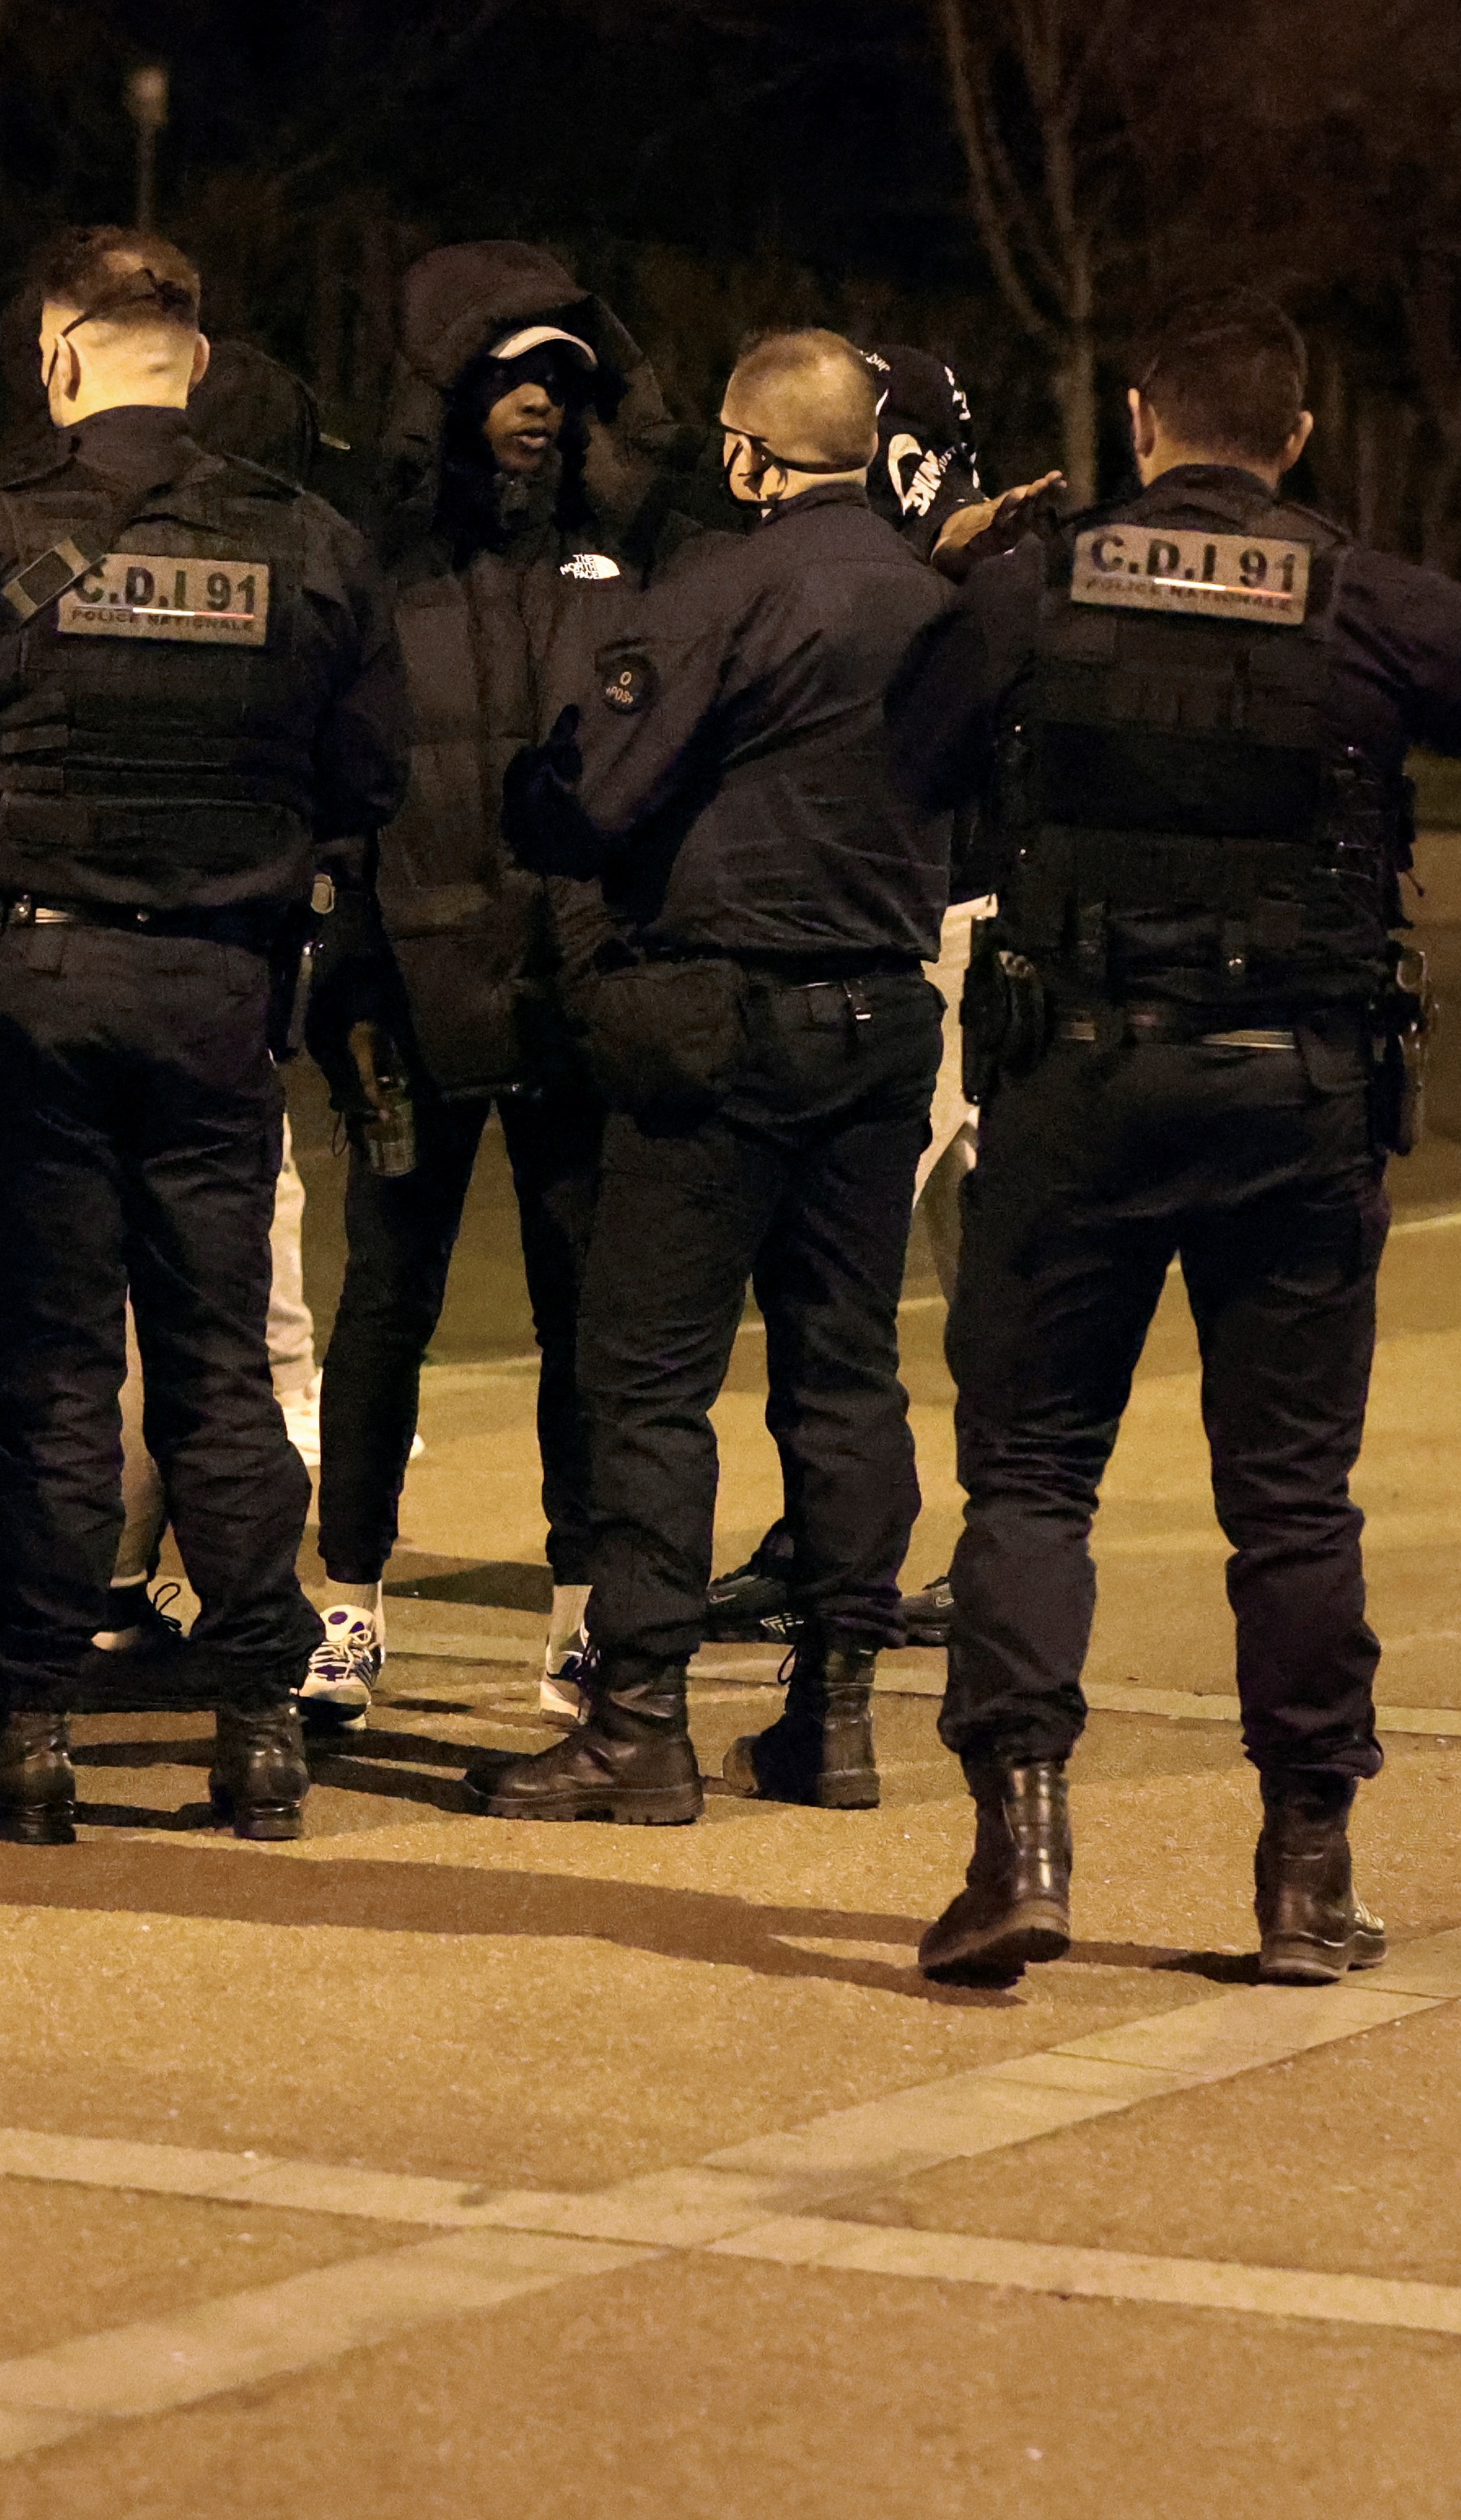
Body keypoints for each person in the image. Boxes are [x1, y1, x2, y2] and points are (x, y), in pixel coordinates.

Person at [915, 296, 1461, 1987]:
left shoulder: (1037, 585)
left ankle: (1018, 1851)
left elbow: (906, 746)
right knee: (1290, 1500)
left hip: (1074, 1090)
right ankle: (1304, 1883)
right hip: (1294, 1103)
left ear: (1135, 422)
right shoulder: (1361, 603)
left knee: (1031, 1477)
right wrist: (1431, 620)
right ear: (1297, 439)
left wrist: (953, 568)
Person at [0, 229, 406, 1844]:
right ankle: (256, 1734)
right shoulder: (312, 546)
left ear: (58, 360)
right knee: (219, 1365)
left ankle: (24, 1738)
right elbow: (371, 781)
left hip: (33, 1001)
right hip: (222, 999)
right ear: (197, 362)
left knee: (55, 1371)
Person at [475, 328, 981, 1826]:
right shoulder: (933, 602)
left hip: (722, 1029)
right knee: (845, 1373)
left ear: (750, 456)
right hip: (884, 1024)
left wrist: (543, 784)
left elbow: (596, 795)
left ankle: (638, 1726)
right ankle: (834, 1718)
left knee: (648, 1380)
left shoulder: (719, 589)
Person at [296, 243, 668, 1736]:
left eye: (561, 383)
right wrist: (343, 972)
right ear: (451, 395)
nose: (538, 406)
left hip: (580, 993)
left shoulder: (626, 558)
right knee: (388, 1303)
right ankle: (349, 1608)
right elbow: (336, 777)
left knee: (589, 1313)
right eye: (510, 377)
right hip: (411, 981)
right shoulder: (376, 560)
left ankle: (577, 1623)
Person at [699, 344, 1007, 1657]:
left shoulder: (945, 559)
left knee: (881, 1270)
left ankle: (910, 1548)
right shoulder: (936, 559)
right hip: (931, 919)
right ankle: (894, 1541)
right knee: (892, 1267)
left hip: (938, 923)